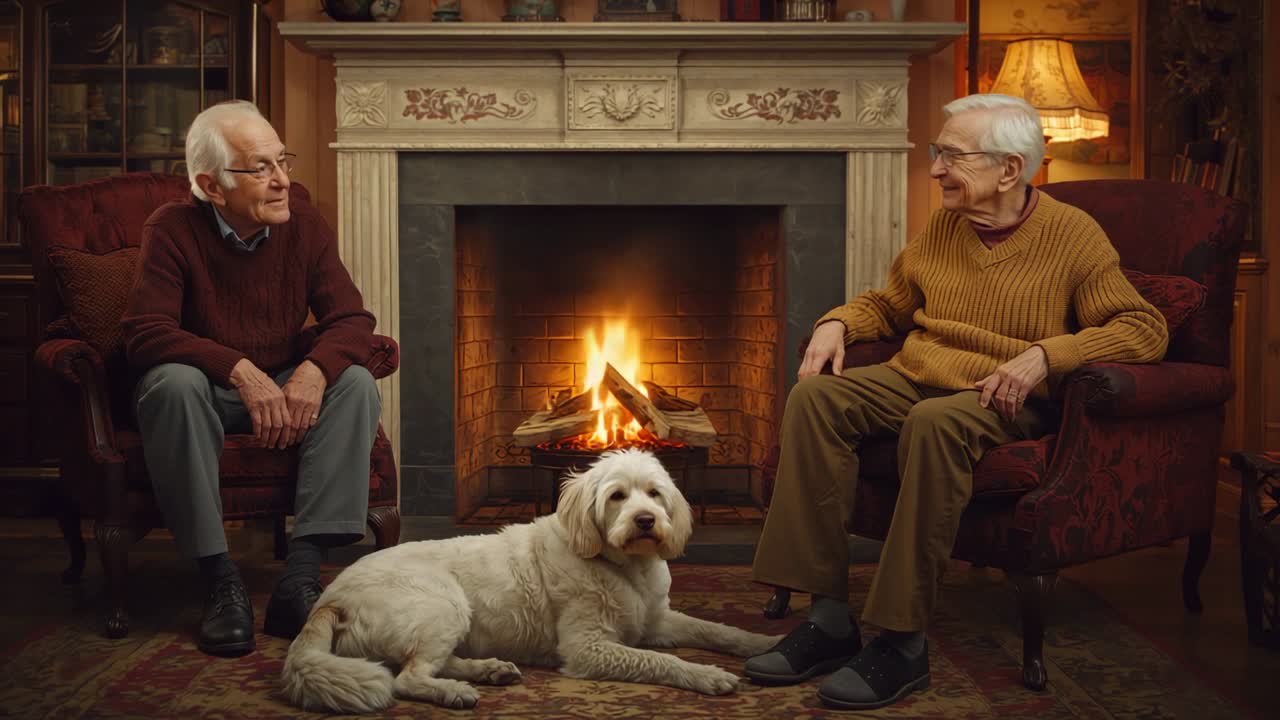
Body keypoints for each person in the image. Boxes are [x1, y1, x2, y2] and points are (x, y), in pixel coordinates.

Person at [744, 94, 1169, 710]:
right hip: (917, 371)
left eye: (950, 155)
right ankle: (830, 620)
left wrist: (1047, 355)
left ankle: (902, 642)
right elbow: (888, 303)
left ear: (1009, 169)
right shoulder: (943, 227)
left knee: (934, 422)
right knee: (815, 398)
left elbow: (1144, 327)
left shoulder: (1073, 236)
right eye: (937, 154)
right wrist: (838, 321)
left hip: (997, 392)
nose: (936, 169)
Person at [122, 101, 382, 657]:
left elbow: (353, 320)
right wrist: (238, 369)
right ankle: (220, 580)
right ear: (211, 187)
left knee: (354, 381)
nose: (283, 180)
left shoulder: (305, 223)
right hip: (206, 393)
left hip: (282, 383)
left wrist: (313, 371)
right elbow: (145, 332)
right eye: (259, 168)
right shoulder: (170, 229)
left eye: (281, 160)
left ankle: (300, 580)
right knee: (172, 382)